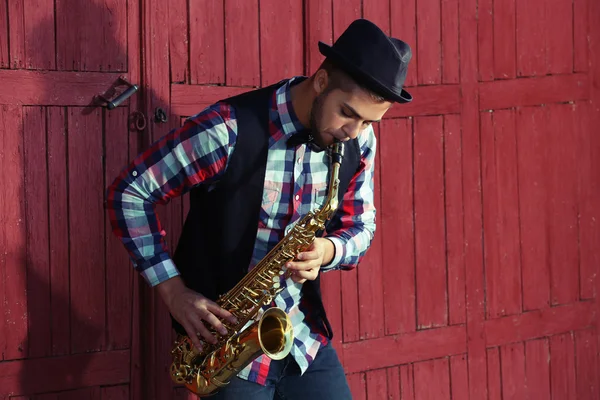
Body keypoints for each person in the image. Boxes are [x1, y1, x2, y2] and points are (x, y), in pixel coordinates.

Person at [106, 18, 412, 400]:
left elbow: (362, 226)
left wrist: (328, 251)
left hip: (300, 335)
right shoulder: (227, 130)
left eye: (368, 120)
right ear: (321, 82)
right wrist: (173, 291)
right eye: (348, 112)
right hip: (225, 345)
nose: (354, 131)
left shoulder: (359, 140)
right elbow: (131, 193)